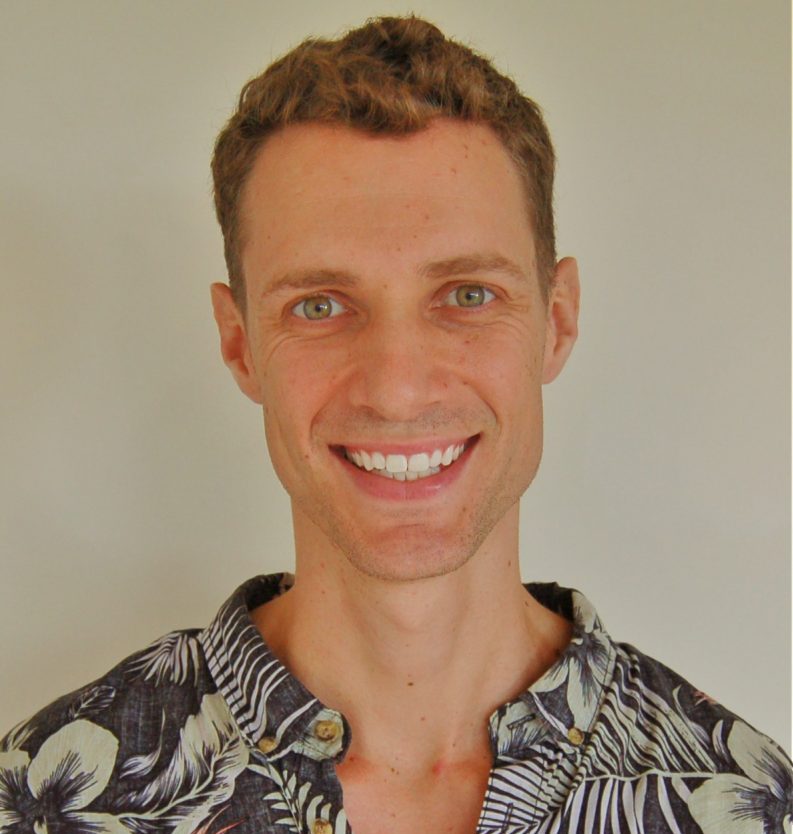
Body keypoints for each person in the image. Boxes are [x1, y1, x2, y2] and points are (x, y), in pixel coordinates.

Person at [0, 15, 789, 834]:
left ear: (555, 322)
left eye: (468, 296)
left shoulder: (746, 808)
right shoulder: (42, 805)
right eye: (319, 306)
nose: (398, 390)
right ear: (239, 344)